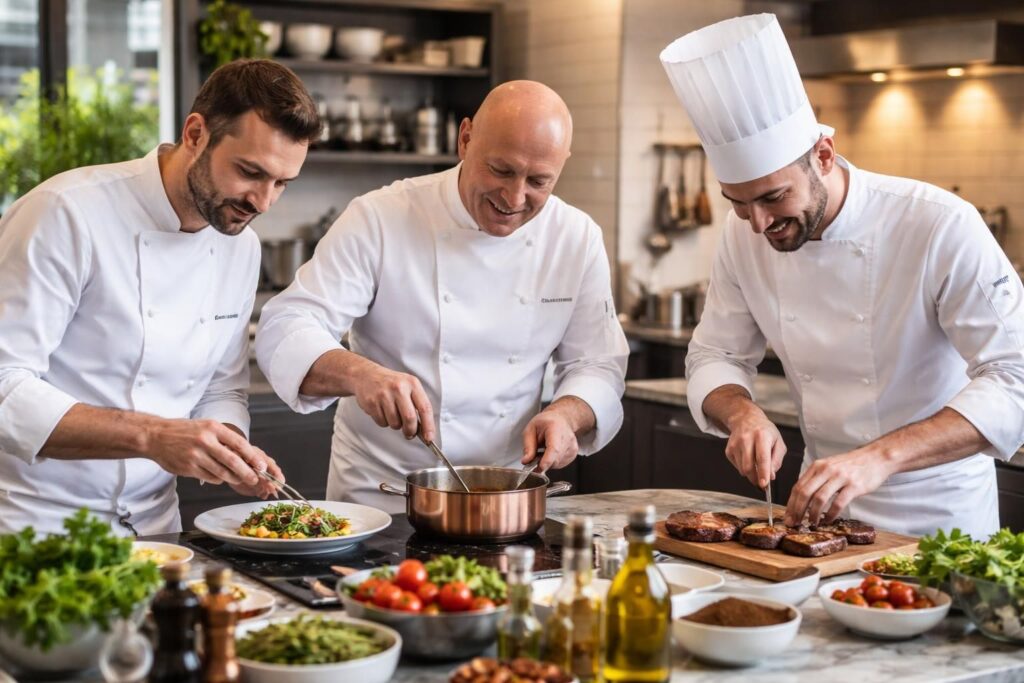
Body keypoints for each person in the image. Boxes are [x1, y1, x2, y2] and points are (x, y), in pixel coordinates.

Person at [659, 14, 1024, 538]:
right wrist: (742, 415)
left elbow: (1014, 379)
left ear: (823, 156)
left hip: (938, 519)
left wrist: (879, 458)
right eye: (738, 204)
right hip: (818, 516)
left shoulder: (937, 223)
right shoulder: (745, 234)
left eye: (773, 197)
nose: (759, 224)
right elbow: (715, 354)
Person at [256, 80, 629, 512]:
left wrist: (567, 414)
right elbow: (287, 326)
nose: (514, 197)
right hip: (383, 497)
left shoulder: (575, 237)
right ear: (465, 139)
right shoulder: (381, 217)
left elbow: (597, 364)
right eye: (502, 170)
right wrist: (361, 375)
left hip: (504, 499)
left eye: (539, 181)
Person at [0, 59, 323, 535]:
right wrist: (153, 435)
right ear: (195, 133)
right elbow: (5, 385)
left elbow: (221, 386)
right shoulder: (65, 214)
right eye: (249, 172)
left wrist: (228, 446)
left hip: (157, 530)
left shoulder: (241, 246)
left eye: (281, 183)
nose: (263, 202)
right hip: (41, 524)